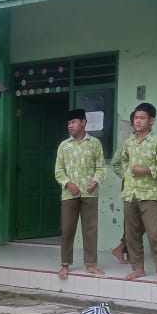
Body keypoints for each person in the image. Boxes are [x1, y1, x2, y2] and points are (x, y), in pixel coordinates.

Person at [112, 102, 157, 286]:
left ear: (152, 121)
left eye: (142, 118)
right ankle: (137, 267)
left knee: (154, 234)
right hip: (130, 194)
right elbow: (118, 164)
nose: (138, 121)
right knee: (132, 234)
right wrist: (127, 175)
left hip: (150, 195)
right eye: (136, 118)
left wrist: (145, 170)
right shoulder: (128, 142)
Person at [54, 108, 107, 279]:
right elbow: (58, 170)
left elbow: (101, 167)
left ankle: (90, 264)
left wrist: (96, 181)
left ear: (83, 122)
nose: (70, 126)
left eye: (74, 122)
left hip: (90, 194)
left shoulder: (95, 143)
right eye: (68, 123)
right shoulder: (64, 145)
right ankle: (65, 264)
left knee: (90, 229)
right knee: (68, 229)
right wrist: (68, 183)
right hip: (69, 194)